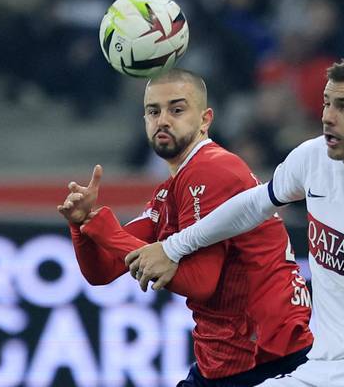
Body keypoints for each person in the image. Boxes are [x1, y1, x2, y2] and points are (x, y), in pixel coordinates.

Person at [128, 58, 344, 387]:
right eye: (327, 103)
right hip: (323, 366)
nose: (328, 116)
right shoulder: (314, 159)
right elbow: (252, 205)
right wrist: (174, 247)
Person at [57, 69, 313, 386]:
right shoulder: (172, 188)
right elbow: (101, 272)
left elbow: (200, 281)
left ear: (205, 119)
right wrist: (82, 227)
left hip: (263, 358)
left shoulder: (212, 169)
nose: (162, 120)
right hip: (224, 360)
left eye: (177, 109)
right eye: (153, 111)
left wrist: (105, 227)